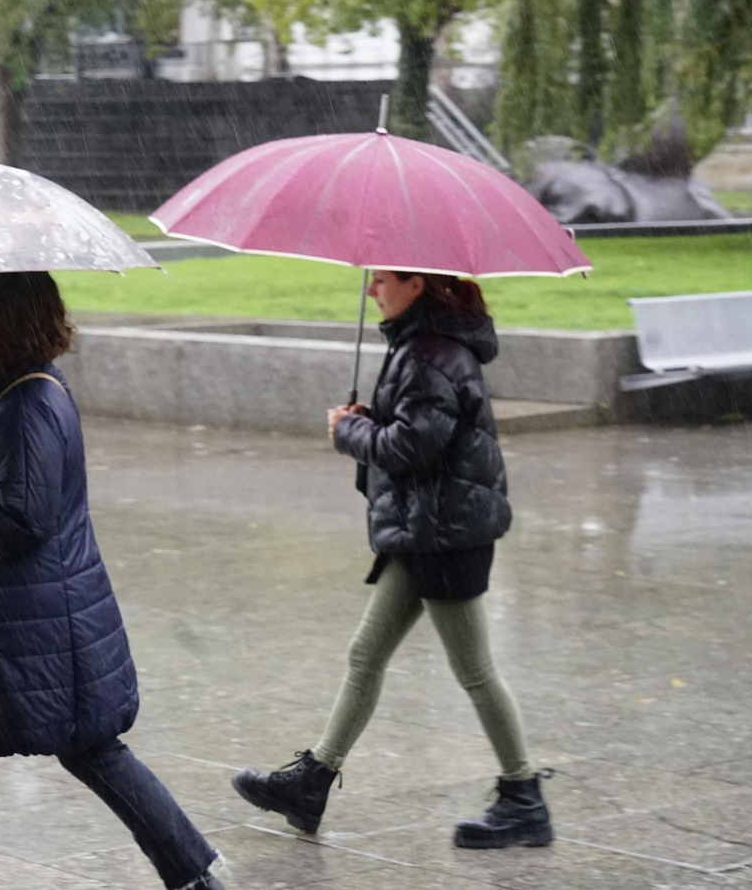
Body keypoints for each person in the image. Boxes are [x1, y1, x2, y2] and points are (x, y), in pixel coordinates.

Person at [0, 271, 224, 890]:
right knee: (77, 750)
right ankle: (195, 876)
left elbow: (19, 522)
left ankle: (195, 876)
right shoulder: (17, 395)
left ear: (1, 321)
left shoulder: (26, 408)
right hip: (31, 617)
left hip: (9, 625)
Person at [229, 271, 553, 849]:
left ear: (416, 284)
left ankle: (524, 797)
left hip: (445, 532)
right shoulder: (424, 347)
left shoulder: (430, 355)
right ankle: (312, 782)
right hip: (424, 528)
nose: (372, 290)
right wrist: (369, 420)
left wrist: (350, 430)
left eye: (381, 280)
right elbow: (417, 433)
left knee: (474, 669)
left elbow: (412, 447)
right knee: (366, 653)